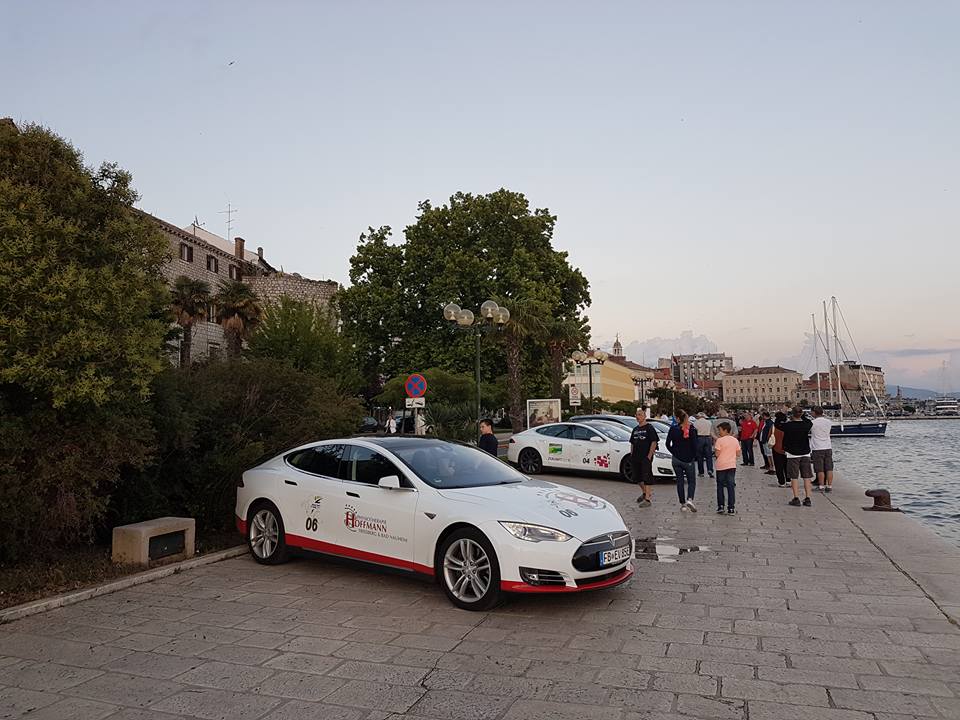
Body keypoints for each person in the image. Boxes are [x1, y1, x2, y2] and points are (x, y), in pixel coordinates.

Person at [666, 409, 698, 512]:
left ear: (678, 418)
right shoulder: (691, 429)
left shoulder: (673, 429)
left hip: (676, 459)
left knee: (679, 481)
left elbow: (667, 443)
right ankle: (690, 499)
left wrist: (674, 452)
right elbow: (695, 445)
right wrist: (693, 456)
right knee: (691, 481)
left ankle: (683, 504)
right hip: (688, 459)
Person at [781, 406, 814, 506]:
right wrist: (802, 415)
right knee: (806, 476)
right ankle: (808, 498)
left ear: (792, 414)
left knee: (794, 477)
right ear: (801, 414)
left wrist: (783, 413)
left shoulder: (788, 426)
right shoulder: (806, 424)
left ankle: (796, 498)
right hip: (805, 452)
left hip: (792, 453)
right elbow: (809, 421)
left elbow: (778, 424)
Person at [631, 407, 660, 507]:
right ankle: (644, 492)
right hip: (636, 457)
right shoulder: (635, 429)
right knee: (637, 477)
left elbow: (654, 441)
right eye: (636, 415)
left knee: (647, 476)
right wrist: (632, 454)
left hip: (645, 457)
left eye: (640, 415)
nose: (638, 417)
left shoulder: (649, 428)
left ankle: (647, 499)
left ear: (644, 416)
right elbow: (632, 443)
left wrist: (649, 455)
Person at [714, 421, 741, 514]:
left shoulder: (719, 440)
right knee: (730, 486)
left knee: (720, 486)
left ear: (725, 430)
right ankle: (731, 508)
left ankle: (721, 506)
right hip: (731, 466)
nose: (718, 432)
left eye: (720, 430)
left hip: (721, 466)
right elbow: (738, 454)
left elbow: (717, 454)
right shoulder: (735, 440)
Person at [810, 406, 834, 492]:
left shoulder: (812, 423)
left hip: (817, 447)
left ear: (814, 412)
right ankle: (829, 486)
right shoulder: (828, 422)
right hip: (828, 446)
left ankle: (821, 486)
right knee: (829, 468)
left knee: (819, 468)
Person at [693, 412, 714, 479]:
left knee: (700, 456)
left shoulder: (695, 423)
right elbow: (711, 432)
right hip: (708, 438)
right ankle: (710, 469)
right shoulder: (709, 422)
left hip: (699, 438)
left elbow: (694, 432)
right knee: (709, 456)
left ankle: (701, 472)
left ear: (698, 417)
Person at [770, 411, 788, 484]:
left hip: (776, 448)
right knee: (787, 465)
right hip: (787, 449)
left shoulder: (774, 427)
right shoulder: (788, 426)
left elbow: (769, 436)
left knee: (778, 466)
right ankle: (788, 480)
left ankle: (781, 481)